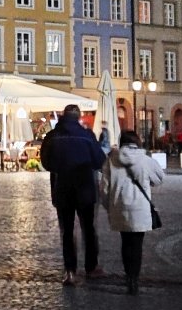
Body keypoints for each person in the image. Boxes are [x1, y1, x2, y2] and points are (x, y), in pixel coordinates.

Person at [39, 103, 106, 285]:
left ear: (63, 116)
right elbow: (99, 160)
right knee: (88, 229)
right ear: (78, 117)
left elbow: (45, 162)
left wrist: (60, 167)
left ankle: (70, 270)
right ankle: (91, 267)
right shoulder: (87, 135)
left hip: (62, 187)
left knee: (67, 231)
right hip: (85, 187)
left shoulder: (52, 136)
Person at [101, 130, 165, 294]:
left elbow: (104, 189)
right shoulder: (145, 160)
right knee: (137, 245)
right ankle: (134, 279)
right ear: (137, 141)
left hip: (119, 207)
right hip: (140, 208)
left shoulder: (111, 160)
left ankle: (128, 276)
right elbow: (159, 178)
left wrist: (110, 207)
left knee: (125, 243)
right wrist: (148, 181)